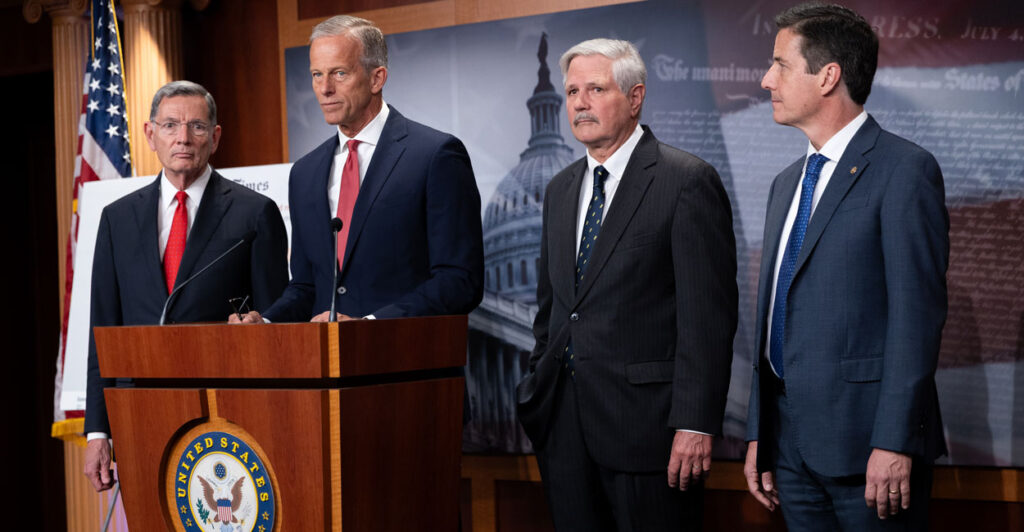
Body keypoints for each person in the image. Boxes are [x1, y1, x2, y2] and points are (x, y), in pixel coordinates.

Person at [517, 38, 737, 531]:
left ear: (635, 97)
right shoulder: (560, 189)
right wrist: (538, 388)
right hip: (564, 431)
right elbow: (553, 310)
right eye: (573, 91)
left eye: (595, 88)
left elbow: (708, 320)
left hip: (650, 433)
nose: (579, 102)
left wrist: (695, 423)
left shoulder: (685, 181)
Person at [743, 4, 949, 530]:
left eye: (780, 65)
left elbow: (916, 318)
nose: (767, 79)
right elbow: (775, 314)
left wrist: (894, 440)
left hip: (870, 454)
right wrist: (758, 435)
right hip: (788, 451)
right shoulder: (786, 183)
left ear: (828, 75)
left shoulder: (905, 170)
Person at [83, 80, 289, 491]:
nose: (183, 138)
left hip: (228, 417)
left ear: (214, 137)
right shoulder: (117, 219)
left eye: (196, 127)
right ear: (149, 134)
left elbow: (277, 327)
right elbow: (102, 331)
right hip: (140, 412)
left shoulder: (254, 214)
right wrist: (98, 431)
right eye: (171, 125)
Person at [231, 15, 483, 324]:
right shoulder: (304, 173)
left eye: (339, 73)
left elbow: (460, 280)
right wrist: (267, 322)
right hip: (326, 366)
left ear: (377, 78)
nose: (324, 88)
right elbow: (307, 286)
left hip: (407, 363)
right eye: (316, 74)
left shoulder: (435, 156)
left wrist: (369, 326)